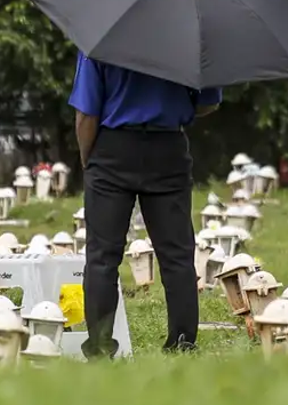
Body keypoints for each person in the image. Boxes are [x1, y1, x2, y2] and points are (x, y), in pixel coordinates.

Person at [68, 52, 221, 357]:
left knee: (102, 257)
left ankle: (99, 349)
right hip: (168, 147)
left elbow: (87, 113)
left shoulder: (100, 38)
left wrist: (89, 159)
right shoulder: (189, 38)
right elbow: (209, 102)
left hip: (112, 148)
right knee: (177, 255)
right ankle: (182, 344)